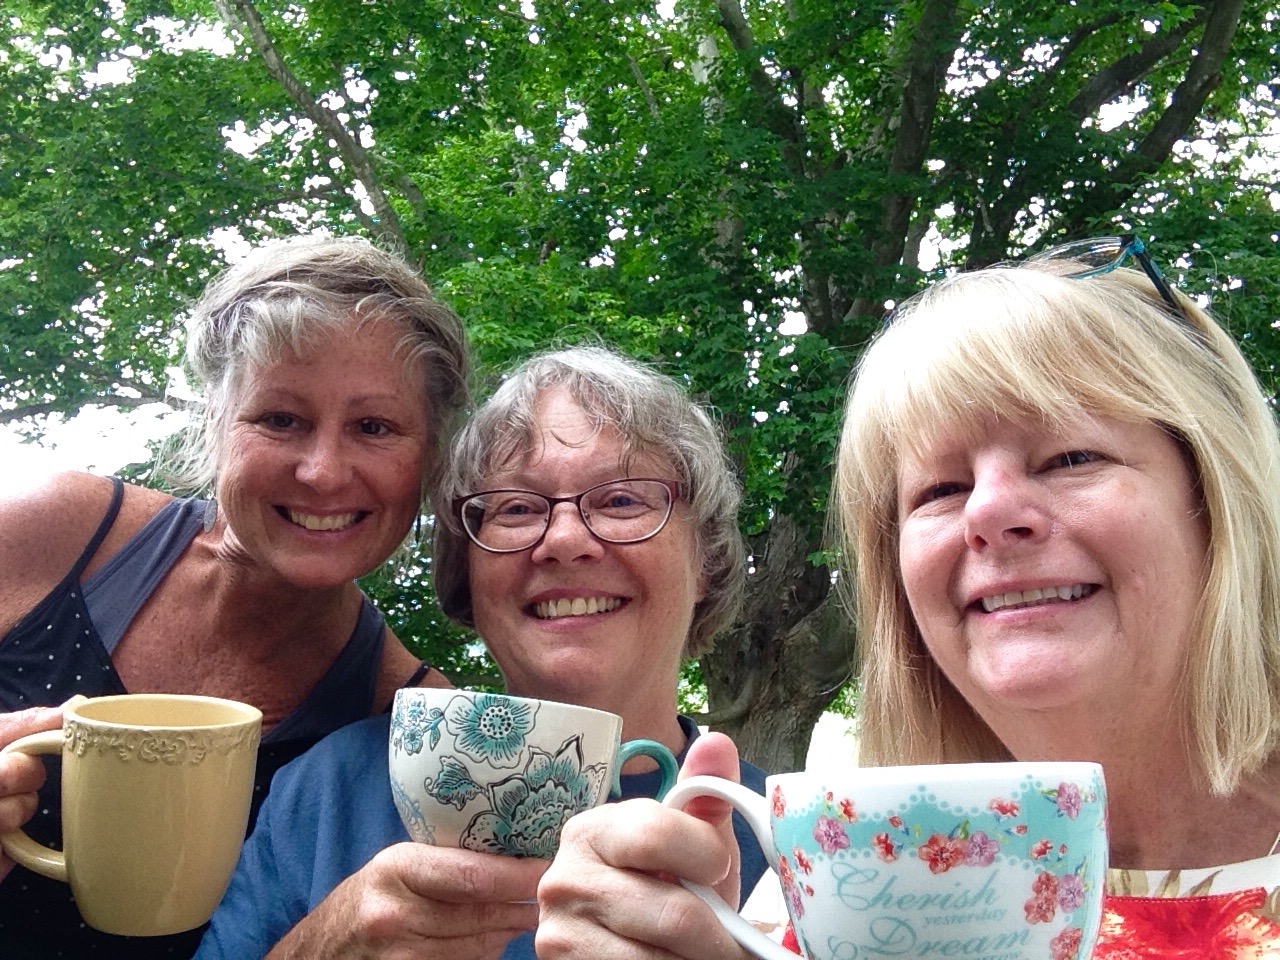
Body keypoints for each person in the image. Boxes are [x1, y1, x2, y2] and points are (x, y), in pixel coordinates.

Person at [535, 237, 1280, 958]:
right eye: (941, 488)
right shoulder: (820, 892)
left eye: (1069, 456)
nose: (989, 511)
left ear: (1217, 501)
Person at [194, 345, 771, 960]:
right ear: (466, 574)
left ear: (707, 560)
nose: (565, 540)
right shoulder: (330, 791)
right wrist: (325, 947)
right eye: (517, 508)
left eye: (622, 501)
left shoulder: (800, 837)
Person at [0, 234, 468, 958]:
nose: (322, 472)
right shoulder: (54, 535)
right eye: (280, 420)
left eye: (374, 427)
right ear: (215, 422)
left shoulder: (415, 729)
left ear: (429, 460)